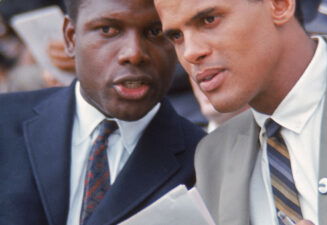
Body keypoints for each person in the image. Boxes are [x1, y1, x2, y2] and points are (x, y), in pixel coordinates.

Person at [154, 0, 327, 224]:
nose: (190, 53)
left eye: (209, 20)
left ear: (280, 5)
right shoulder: (213, 156)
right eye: (176, 37)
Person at [0, 0, 205, 224]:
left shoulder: (204, 162)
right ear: (70, 37)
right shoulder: (5, 120)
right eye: (108, 30)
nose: (134, 53)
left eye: (156, 32)